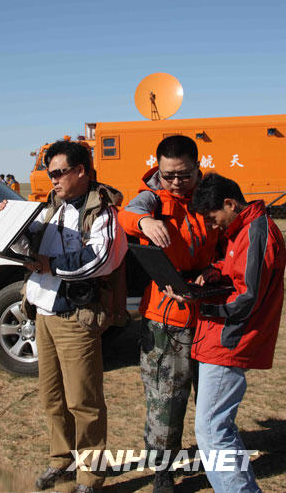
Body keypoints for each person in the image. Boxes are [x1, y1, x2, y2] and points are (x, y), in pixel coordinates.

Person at [8, 140, 128, 493]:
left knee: (84, 401)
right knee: (52, 396)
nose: (53, 180)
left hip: (76, 317)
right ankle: (61, 461)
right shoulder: (52, 207)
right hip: (44, 313)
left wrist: (50, 265)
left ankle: (90, 477)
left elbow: (100, 259)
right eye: (50, 173)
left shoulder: (102, 211)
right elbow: (31, 246)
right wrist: (11, 224)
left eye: (59, 172)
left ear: (81, 171)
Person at [166, 173, 286, 493]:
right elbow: (235, 269)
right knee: (213, 428)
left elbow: (247, 299)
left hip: (229, 340)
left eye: (213, 217)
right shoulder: (244, 228)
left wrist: (200, 305)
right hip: (220, 338)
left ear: (230, 204)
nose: (212, 225)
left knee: (212, 429)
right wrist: (212, 272)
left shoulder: (257, 231)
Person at [118, 135, 219, 492]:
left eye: (184, 175)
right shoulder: (150, 198)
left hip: (210, 319)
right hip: (166, 321)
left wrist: (215, 269)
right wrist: (145, 223)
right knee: (165, 402)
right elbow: (125, 215)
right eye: (168, 175)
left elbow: (228, 240)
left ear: (197, 165)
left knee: (211, 403)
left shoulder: (210, 196)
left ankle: (215, 463)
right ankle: (163, 471)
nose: (176, 182)